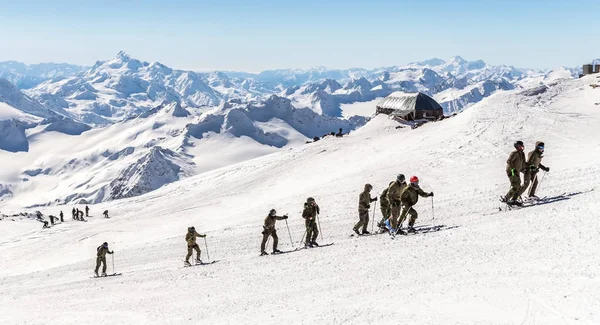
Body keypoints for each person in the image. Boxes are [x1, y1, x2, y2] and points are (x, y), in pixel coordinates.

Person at [504, 141, 527, 206]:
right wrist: (513, 169)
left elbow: (523, 164)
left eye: (522, 145)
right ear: (517, 147)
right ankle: (506, 198)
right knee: (515, 185)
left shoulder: (522, 154)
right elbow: (509, 161)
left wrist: (527, 169)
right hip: (512, 171)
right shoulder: (514, 153)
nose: (522, 147)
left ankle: (514, 200)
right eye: (521, 146)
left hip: (516, 171)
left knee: (518, 185)